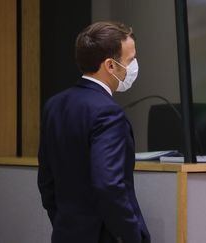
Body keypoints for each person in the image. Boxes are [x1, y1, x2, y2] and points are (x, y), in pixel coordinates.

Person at [38, 21, 150, 243]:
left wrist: (66, 224)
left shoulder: (55, 105)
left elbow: (46, 181)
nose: (134, 65)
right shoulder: (109, 113)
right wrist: (130, 236)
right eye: (130, 60)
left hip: (66, 234)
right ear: (110, 65)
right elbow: (109, 185)